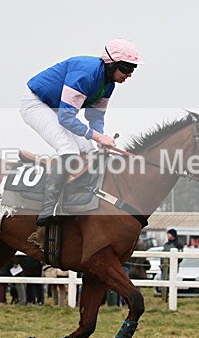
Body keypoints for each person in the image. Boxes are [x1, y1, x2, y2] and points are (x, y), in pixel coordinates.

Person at [20, 38, 144, 226]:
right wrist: (99, 136)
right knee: (69, 150)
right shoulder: (86, 74)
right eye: (126, 68)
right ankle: (48, 206)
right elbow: (66, 119)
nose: (130, 74)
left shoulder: (108, 84)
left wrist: (101, 140)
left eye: (133, 69)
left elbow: (95, 118)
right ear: (111, 65)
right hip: (37, 104)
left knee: (90, 152)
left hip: (59, 109)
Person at [161, 229, 183, 302]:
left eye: (169, 234)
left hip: (172, 267)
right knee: (164, 281)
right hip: (164, 266)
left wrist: (174, 263)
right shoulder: (166, 244)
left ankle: (172, 297)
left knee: (171, 282)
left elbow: (180, 257)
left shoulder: (178, 244)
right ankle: (164, 297)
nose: (168, 236)